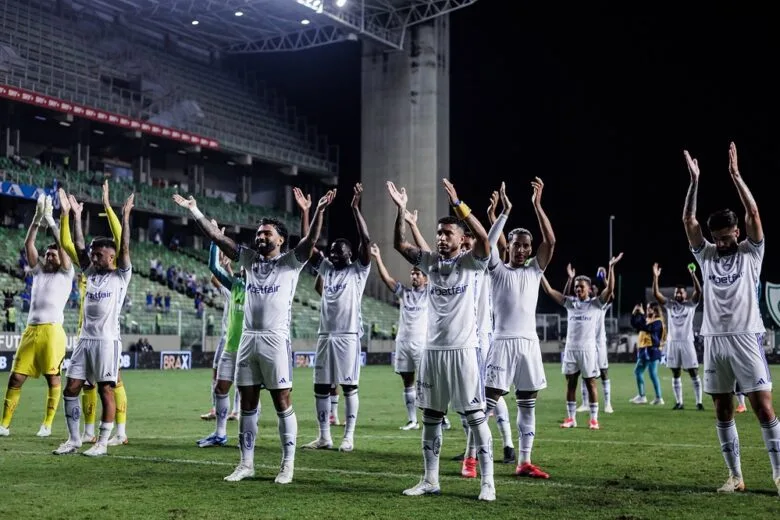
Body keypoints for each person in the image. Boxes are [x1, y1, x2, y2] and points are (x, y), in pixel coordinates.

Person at [173, 188, 333, 484]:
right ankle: (246, 464)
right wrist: (195, 211)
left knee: (282, 401)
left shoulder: (290, 263)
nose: (260, 237)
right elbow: (218, 239)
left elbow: (310, 241)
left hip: (275, 339)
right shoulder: (247, 260)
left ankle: (288, 464)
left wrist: (317, 211)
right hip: (247, 340)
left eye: (267, 234)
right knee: (247, 402)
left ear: (281, 239)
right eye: (259, 234)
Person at [390, 178, 496, 501]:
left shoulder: (471, 262)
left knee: (476, 417)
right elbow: (399, 244)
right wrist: (401, 210)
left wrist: (461, 206)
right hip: (432, 352)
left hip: (464, 351)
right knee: (431, 418)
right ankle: (430, 479)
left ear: (461, 239)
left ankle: (488, 482)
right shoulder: (430, 263)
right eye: (438, 233)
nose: (440, 237)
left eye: (447, 233)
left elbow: (484, 240)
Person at [682, 143, 779, 495]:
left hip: (746, 336)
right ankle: (736, 476)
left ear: (736, 232)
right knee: (722, 410)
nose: (722, 244)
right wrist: (694, 181)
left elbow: (754, 214)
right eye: (718, 239)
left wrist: (736, 177)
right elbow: (688, 222)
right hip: (714, 340)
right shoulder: (706, 255)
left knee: (763, 408)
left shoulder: (751, 253)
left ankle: (778, 474)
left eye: (727, 238)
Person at [53, 191, 134, 456]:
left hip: (107, 342)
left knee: (106, 391)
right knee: (72, 388)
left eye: (98, 254)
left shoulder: (121, 275)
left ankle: (102, 442)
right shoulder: (92, 273)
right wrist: (76, 215)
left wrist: (124, 216)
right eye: (93, 254)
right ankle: (74, 439)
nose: (93, 257)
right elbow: (77, 246)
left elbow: (124, 247)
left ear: (111, 257)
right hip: (84, 340)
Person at [483, 179, 555, 479]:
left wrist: (537, 206)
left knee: (528, 404)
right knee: (485, 405)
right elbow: (487, 245)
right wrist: (502, 216)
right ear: (508, 246)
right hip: (502, 342)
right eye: (517, 245)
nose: (523, 249)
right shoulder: (497, 269)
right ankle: (473, 459)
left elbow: (550, 243)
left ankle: (524, 462)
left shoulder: (535, 270)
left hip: (529, 344)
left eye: (527, 245)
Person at [303, 183, 371, 453]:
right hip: (325, 335)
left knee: (349, 386)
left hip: (348, 335)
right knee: (321, 385)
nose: (332, 255)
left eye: (338, 252)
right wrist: (311, 212)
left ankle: (349, 436)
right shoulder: (328, 268)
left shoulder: (358, 270)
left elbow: (366, 241)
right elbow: (307, 244)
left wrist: (355, 209)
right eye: (331, 252)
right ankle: (324, 436)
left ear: (350, 255)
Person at [0, 194, 72, 438]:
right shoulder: (39, 271)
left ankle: (47, 424)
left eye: (53, 254)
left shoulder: (65, 273)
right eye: (48, 254)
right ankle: (4, 424)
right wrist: (37, 218)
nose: (49, 256)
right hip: (31, 331)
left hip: (52, 331)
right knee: (15, 378)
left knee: (53, 378)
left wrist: (52, 221)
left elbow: (62, 246)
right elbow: (28, 245)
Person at [541, 253, 621, 430]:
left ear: (589, 289)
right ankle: (571, 418)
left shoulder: (596, 304)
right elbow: (549, 291)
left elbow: (610, 291)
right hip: (570, 349)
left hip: (588, 350)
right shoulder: (570, 303)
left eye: (581, 287)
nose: (578, 290)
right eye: (576, 287)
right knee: (570, 384)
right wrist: (539, 272)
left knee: (591, 383)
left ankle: (594, 419)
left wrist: (611, 268)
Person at [370, 242, 428, 430]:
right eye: (412, 273)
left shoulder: (430, 293)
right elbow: (387, 279)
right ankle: (413, 420)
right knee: (407, 381)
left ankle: (439, 417)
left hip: (422, 343)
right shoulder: (404, 292)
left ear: (426, 279)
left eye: (418, 273)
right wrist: (378, 257)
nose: (414, 275)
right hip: (403, 342)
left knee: (426, 382)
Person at [197, 234, 246, 447]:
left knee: (250, 392)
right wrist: (215, 241)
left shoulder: (260, 290)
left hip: (250, 348)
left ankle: (247, 436)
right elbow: (213, 269)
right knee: (220, 387)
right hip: (230, 345)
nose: (243, 272)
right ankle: (220, 433)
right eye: (242, 270)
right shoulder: (236, 286)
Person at [652, 262, 704, 410]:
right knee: (675, 372)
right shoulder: (670, 305)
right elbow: (657, 295)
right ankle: (679, 402)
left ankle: (699, 402)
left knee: (693, 372)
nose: (678, 294)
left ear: (685, 294)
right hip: (673, 343)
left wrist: (693, 275)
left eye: (680, 292)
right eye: (676, 292)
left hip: (687, 342)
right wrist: (655, 277)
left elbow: (698, 292)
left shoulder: (690, 304)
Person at [565, 265, 614, 415]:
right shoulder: (581, 305)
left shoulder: (599, 304)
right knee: (582, 372)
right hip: (586, 344)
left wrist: (606, 279)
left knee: (603, 372)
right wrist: (570, 279)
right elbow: (566, 297)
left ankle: (607, 404)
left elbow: (610, 295)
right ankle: (585, 403)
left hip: (599, 342)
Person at [629, 302, 665, 405]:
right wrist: (634, 313)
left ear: (655, 310)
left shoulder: (658, 321)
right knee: (641, 372)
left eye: (649, 308)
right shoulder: (648, 320)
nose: (647, 309)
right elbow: (635, 324)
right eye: (647, 308)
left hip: (651, 349)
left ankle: (654, 397)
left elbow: (647, 328)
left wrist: (642, 314)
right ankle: (646, 396)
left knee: (650, 373)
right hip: (644, 349)